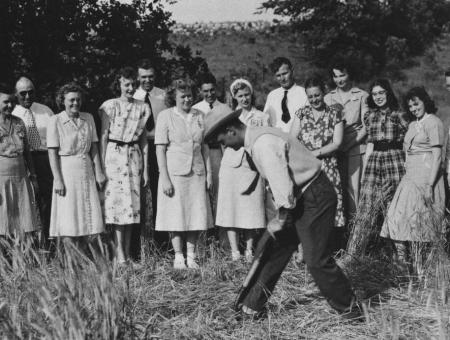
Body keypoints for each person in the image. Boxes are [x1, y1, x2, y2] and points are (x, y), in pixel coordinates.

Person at [205, 110, 357, 318]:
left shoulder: (262, 143)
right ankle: (252, 306)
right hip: (299, 196)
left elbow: (280, 180)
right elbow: (270, 173)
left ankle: (350, 309)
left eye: (223, 141)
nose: (225, 147)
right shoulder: (256, 138)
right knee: (272, 249)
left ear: (231, 131)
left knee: (315, 260)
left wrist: (282, 218)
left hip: (314, 195)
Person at [381, 87, 445, 262]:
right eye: (410, 106)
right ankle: (402, 265)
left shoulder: (433, 122)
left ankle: (421, 269)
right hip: (410, 177)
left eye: (416, 104)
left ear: (425, 101)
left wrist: (430, 186)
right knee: (395, 220)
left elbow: (438, 157)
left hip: (426, 177)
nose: (414, 108)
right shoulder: (412, 124)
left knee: (421, 225)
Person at [346, 79, 408, 258]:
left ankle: (401, 257)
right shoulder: (370, 116)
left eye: (381, 93)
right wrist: (367, 168)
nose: (378, 97)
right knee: (366, 207)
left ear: (388, 93)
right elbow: (370, 143)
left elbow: (406, 142)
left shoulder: (399, 114)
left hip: (394, 160)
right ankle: (353, 255)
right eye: (375, 94)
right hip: (374, 162)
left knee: (394, 208)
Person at [155, 78, 212, 269]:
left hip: (197, 172)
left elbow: (204, 147)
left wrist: (209, 174)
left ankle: (191, 256)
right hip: (175, 173)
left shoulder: (200, 115)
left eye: (189, 95)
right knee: (176, 215)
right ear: (174, 97)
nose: (187, 99)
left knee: (195, 214)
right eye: (182, 96)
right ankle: (178, 256)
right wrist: (164, 178)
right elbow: (160, 149)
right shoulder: (165, 116)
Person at [100, 67, 150, 264]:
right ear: (119, 84)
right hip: (114, 157)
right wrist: (103, 168)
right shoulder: (109, 106)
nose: (130, 88)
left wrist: (146, 169)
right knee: (118, 208)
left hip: (134, 156)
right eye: (126, 84)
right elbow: (104, 136)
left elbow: (144, 139)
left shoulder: (142, 107)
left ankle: (128, 253)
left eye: (132, 84)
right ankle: (119, 255)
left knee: (132, 208)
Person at [289, 76, 345, 252]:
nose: (314, 100)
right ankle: (303, 251)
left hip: (327, 166)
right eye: (310, 96)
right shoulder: (301, 113)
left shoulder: (334, 113)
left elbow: (337, 143)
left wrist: (316, 153)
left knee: (328, 207)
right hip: (305, 168)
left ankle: (325, 250)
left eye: (317, 95)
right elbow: (291, 139)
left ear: (324, 93)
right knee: (305, 207)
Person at [216, 79, 269, 262]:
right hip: (230, 167)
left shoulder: (261, 117)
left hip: (252, 168)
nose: (244, 98)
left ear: (251, 94)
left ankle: (248, 250)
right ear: (234, 97)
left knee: (250, 209)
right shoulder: (230, 117)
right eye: (240, 96)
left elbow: (264, 141)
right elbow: (223, 142)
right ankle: (234, 251)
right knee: (231, 208)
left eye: (247, 95)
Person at [47, 83, 105, 245]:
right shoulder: (55, 120)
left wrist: (99, 172)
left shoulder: (88, 118)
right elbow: (52, 152)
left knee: (88, 214)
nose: (75, 103)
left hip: (86, 170)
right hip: (67, 171)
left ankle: (88, 256)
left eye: (78, 100)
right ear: (62, 101)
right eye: (71, 100)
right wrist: (57, 179)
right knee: (69, 215)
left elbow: (93, 147)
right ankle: (71, 259)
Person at [324, 61, 368, 227]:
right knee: (336, 192)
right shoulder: (328, 98)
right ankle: (338, 235)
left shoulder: (362, 95)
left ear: (349, 74)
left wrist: (347, 145)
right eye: (335, 76)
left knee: (354, 192)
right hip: (334, 151)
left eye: (342, 75)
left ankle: (356, 236)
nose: (339, 79)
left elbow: (366, 126)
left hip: (355, 148)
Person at [12, 77, 54, 245]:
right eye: (23, 93)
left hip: (45, 159)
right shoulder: (12, 113)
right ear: (16, 95)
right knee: (27, 203)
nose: (28, 96)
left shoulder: (46, 111)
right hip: (22, 161)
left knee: (46, 201)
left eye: (31, 92)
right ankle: (29, 243)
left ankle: (47, 240)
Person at [133, 59, 168, 252]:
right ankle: (138, 245)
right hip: (138, 147)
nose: (147, 80)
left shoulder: (163, 96)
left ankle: (163, 243)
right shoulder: (133, 95)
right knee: (138, 195)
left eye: (151, 76)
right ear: (138, 78)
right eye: (143, 77)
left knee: (159, 193)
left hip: (159, 147)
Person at [0, 83, 40, 239]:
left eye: (12, 102)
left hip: (21, 177)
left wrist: (33, 177)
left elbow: (27, 152)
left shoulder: (19, 122)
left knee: (22, 219)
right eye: (5, 102)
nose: (10, 105)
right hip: (2, 178)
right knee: (3, 218)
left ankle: (21, 260)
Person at [193, 73, 232, 218]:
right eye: (205, 91)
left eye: (212, 90)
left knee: (221, 190)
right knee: (203, 190)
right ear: (200, 91)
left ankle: (221, 227)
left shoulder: (225, 109)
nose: (209, 94)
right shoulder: (195, 109)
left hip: (219, 154)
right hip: (201, 154)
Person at [263, 57, 308, 133]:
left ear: (292, 71)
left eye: (285, 73)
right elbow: (266, 121)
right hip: (276, 140)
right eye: (278, 75)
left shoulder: (304, 94)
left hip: (298, 140)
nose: (282, 78)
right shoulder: (272, 96)